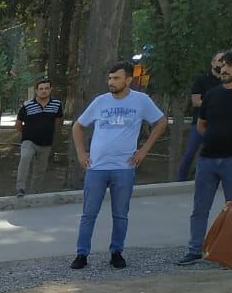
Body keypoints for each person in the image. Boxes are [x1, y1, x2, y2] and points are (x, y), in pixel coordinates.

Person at [70, 61, 167, 270]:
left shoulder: (141, 101)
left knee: (120, 213)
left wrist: (144, 149)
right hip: (96, 167)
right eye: (110, 78)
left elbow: (161, 122)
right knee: (89, 213)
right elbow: (78, 126)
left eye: (116, 78)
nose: (111, 82)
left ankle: (116, 252)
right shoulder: (100, 102)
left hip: (124, 167)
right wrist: (81, 152)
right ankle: (81, 254)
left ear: (129, 80)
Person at [179, 49, 232, 265]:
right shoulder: (212, 94)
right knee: (200, 207)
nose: (223, 69)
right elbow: (202, 125)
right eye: (222, 65)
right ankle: (194, 249)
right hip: (208, 159)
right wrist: (216, 137)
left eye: (228, 65)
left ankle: (229, 252)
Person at [178, 53, 226, 181]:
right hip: (201, 121)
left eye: (224, 61)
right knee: (190, 152)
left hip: (220, 124)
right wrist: (215, 103)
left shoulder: (227, 81)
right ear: (212, 62)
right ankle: (179, 181)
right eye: (219, 60)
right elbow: (195, 101)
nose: (221, 63)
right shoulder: (201, 79)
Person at [14, 78, 64, 196]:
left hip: (46, 142)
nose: (44, 91)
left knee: (40, 169)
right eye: (41, 89)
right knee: (25, 157)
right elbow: (18, 124)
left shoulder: (56, 104)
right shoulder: (27, 106)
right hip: (29, 140)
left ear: (50, 90)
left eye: (46, 88)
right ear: (36, 91)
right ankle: (20, 188)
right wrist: (26, 134)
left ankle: (35, 193)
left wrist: (53, 132)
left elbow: (58, 120)